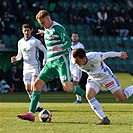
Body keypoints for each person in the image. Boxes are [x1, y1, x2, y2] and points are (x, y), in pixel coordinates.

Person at [17, 10, 86, 121]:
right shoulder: (47, 28)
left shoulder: (59, 28)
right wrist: (44, 32)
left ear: (48, 19)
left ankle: (87, 95)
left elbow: (68, 43)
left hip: (61, 62)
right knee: (36, 85)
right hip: (50, 63)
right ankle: (31, 113)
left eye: (43, 22)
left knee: (68, 88)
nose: (42, 25)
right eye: (40, 23)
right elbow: (51, 33)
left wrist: (61, 48)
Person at [71, 48, 133, 125]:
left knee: (121, 98)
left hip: (106, 77)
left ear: (84, 58)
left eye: (77, 61)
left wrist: (119, 54)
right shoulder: (74, 60)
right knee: (89, 95)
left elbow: (107, 54)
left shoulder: (94, 57)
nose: (76, 63)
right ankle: (104, 118)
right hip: (93, 78)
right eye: (74, 61)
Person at [11, 23, 47, 112]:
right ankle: (38, 106)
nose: (26, 32)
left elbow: (45, 50)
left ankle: (34, 106)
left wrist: (44, 60)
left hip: (35, 66)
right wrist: (15, 58)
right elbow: (20, 56)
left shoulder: (35, 41)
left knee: (34, 85)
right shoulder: (20, 42)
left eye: (28, 30)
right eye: (25, 30)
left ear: (31, 31)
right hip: (26, 67)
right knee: (28, 88)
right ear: (22, 31)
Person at [70, 32, 85, 104]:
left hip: (77, 67)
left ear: (78, 38)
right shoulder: (69, 45)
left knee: (75, 82)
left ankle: (79, 99)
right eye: (73, 36)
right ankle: (80, 97)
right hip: (70, 66)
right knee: (71, 83)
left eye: (76, 36)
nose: (74, 37)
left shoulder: (80, 46)